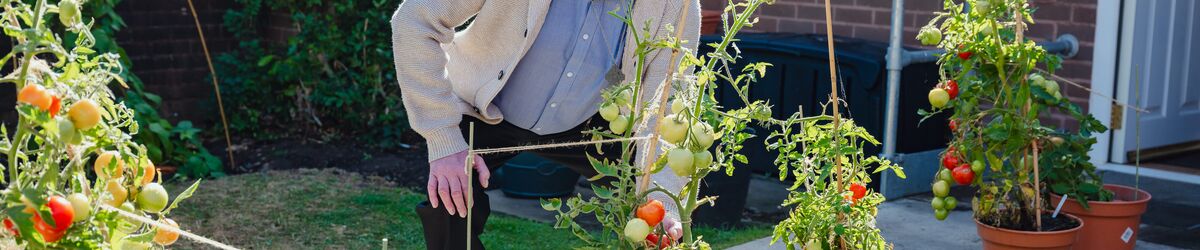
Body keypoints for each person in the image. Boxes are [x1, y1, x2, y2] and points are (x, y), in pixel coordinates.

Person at [390, 0, 700, 249]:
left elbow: (669, 104)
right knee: (448, 199)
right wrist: (443, 139)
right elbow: (414, 20)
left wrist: (661, 197)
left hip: (590, 122)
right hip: (487, 106)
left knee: (656, 221)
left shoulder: (677, 5)